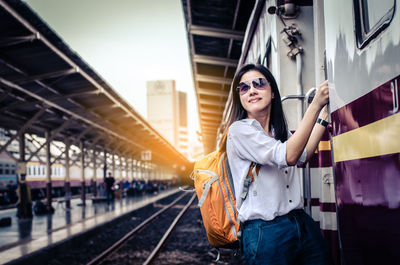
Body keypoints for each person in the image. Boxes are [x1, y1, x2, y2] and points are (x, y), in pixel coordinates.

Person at [225, 64, 333, 265]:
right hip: (265, 232)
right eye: (244, 88)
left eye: (259, 83)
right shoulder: (239, 131)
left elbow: (303, 155)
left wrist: (323, 118)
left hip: (300, 222)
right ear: (239, 97)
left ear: (273, 92)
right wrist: (315, 103)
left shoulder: (277, 130)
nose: (252, 91)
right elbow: (289, 156)